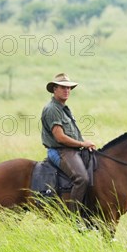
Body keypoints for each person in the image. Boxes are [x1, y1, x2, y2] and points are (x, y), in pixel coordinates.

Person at [41, 73, 96, 214]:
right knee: (81, 178)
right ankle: (74, 217)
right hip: (61, 151)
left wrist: (83, 145)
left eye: (69, 88)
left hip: (71, 150)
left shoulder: (64, 108)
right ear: (54, 89)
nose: (67, 90)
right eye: (63, 87)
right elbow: (60, 138)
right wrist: (82, 144)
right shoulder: (52, 109)